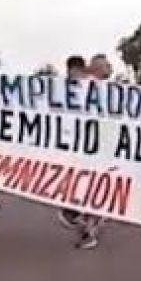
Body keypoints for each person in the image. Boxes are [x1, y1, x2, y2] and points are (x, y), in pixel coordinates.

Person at [55, 55, 99, 249]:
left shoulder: (94, 88)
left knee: (88, 189)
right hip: (73, 146)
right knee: (74, 191)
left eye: (73, 71)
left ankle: (89, 232)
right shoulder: (64, 88)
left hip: (91, 147)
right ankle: (87, 226)